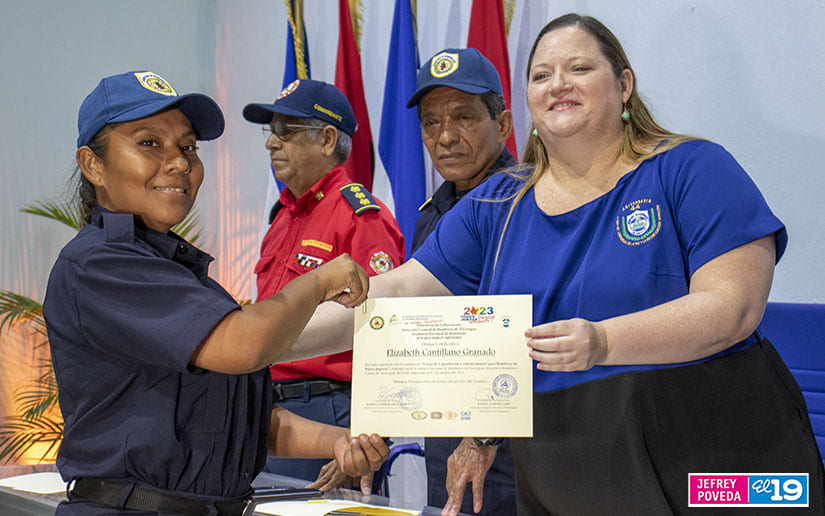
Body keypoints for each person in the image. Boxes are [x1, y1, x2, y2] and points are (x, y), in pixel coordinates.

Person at [294, 14, 825, 515]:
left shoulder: (692, 167)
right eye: (541, 74)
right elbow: (392, 293)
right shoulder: (495, 203)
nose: (558, 84)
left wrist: (602, 341)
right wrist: (267, 340)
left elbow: (733, 308)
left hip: (716, 454)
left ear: (624, 84)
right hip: (563, 461)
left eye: (579, 68)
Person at [43, 70, 389, 515]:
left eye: (188, 147)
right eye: (149, 143)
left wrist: (336, 440)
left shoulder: (177, 271)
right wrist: (320, 281)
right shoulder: (101, 264)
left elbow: (234, 418)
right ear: (93, 165)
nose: (179, 163)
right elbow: (245, 345)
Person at [242, 79, 405, 485]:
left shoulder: (360, 217)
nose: (271, 143)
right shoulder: (281, 219)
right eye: (271, 131)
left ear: (328, 139)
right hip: (270, 412)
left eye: (286, 131)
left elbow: (386, 329)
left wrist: (367, 440)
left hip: (329, 409)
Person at [405, 47, 517, 516]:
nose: (446, 136)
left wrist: (482, 435)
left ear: (503, 125)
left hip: (508, 435)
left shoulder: (528, 205)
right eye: (431, 122)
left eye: (464, 117)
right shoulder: (432, 214)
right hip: (444, 427)